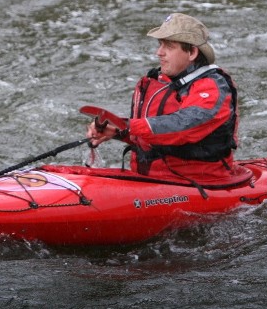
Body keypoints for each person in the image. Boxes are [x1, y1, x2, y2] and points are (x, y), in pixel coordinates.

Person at [86, 13, 250, 188]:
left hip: (201, 185)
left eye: (169, 46)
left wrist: (129, 125)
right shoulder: (160, 82)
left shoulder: (212, 88)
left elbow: (182, 127)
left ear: (192, 52)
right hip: (152, 181)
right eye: (160, 44)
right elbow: (157, 138)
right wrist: (118, 132)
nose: (159, 52)